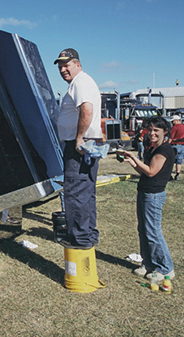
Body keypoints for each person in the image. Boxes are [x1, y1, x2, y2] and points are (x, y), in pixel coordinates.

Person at [54, 48, 102, 249]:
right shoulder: (80, 82)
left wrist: (79, 138)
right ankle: (88, 235)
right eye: (60, 66)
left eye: (67, 65)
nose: (63, 69)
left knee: (75, 191)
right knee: (86, 192)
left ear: (78, 65)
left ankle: (80, 238)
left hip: (79, 145)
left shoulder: (81, 81)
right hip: (85, 143)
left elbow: (87, 109)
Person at [118, 116, 175, 282]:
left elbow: (151, 171)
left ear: (165, 132)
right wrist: (130, 161)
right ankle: (148, 264)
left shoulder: (164, 150)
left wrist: (135, 158)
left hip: (154, 195)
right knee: (143, 230)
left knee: (153, 232)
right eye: (150, 129)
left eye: (156, 130)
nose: (152, 133)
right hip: (144, 192)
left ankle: (165, 268)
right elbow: (144, 171)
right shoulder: (152, 148)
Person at [168, 115, 184, 181]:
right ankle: (177, 174)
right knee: (179, 161)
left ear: (177, 120)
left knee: (170, 161)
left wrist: (167, 145)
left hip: (174, 145)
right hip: (182, 146)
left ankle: (169, 175)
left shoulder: (174, 128)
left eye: (173, 121)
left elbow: (171, 138)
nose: (172, 122)